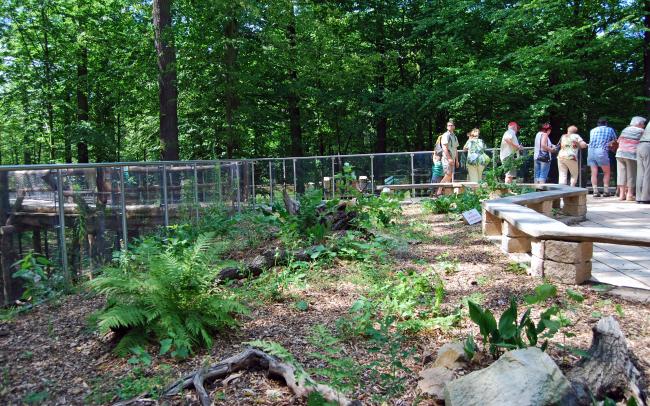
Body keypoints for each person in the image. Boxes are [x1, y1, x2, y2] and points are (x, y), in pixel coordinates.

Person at [615, 116, 646, 201]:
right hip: (631, 154)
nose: (643, 126)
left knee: (621, 174)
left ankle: (621, 195)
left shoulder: (625, 129)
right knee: (631, 174)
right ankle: (630, 194)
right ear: (639, 124)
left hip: (620, 153)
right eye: (643, 124)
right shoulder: (641, 131)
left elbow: (618, 141)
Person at [588, 117, 617, 197]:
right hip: (601, 151)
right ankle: (606, 191)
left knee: (594, 173)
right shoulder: (609, 129)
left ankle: (595, 191)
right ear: (606, 123)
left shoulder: (592, 130)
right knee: (606, 172)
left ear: (598, 124)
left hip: (590, 151)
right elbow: (615, 140)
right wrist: (609, 144)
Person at [437, 120, 459, 195]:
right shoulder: (445, 135)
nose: (449, 126)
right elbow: (444, 148)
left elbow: (456, 149)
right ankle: (439, 191)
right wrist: (449, 158)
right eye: (448, 125)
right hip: (446, 159)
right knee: (448, 174)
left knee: (449, 176)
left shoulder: (454, 136)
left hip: (452, 159)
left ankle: (447, 193)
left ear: (454, 127)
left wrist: (456, 161)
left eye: (451, 125)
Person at [637, 122, 650, 203]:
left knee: (640, 173)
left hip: (640, 145)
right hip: (648, 145)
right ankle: (645, 198)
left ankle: (639, 197)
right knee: (648, 172)